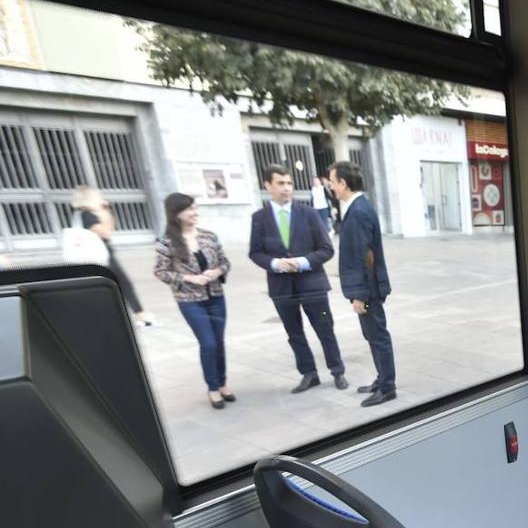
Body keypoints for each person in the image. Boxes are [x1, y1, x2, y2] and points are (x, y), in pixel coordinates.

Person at [249, 164, 348, 394]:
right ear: (267, 186)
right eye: (280, 183)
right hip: (282, 290)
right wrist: (274, 264)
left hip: (313, 288)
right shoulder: (259, 219)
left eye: (289, 183)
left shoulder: (310, 215)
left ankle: (337, 370)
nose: (286, 188)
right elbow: (255, 252)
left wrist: (303, 261)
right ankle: (309, 374)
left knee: (325, 328)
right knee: (294, 333)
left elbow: (326, 249)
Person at [153, 193, 233, 410]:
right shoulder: (166, 242)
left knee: (219, 342)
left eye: (196, 208)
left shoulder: (209, 236)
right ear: (176, 213)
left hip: (216, 296)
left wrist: (216, 272)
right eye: (190, 209)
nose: (195, 212)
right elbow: (160, 272)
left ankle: (223, 383)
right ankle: (213, 387)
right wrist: (190, 278)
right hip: (190, 300)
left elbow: (225, 262)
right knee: (208, 343)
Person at [329, 160, 395, 407]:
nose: (332, 187)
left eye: (333, 182)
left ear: (343, 183)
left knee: (378, 337)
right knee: (372, 335)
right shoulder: (357, 208)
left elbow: (361, 257)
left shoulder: (358, 211)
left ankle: (388, 387)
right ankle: (382, 379)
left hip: (368, 290)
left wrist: (359, 296)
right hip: (368, 288)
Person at [72, 185, 157, 327]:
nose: (101, 198)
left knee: (114, 285)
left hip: (97, 255)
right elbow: (106, 232)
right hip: (101, 256)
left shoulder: (80, 215)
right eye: (97, 196)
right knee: (123, 284)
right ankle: (140, 315)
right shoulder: (87, 215)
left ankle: (136, 314)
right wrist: (104, 211)